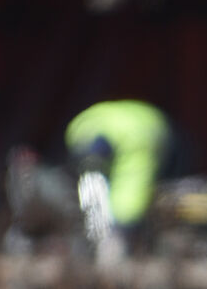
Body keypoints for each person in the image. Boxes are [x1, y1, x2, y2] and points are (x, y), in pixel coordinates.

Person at [64, 100, 170, 248]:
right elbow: (130, 195)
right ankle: (105, 238)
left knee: (94, 183)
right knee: (128, 187)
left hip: (88, 132)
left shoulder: (80, 126)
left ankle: (99, 236)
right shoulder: (143, 135)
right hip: (140, 133)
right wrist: (121, 228)